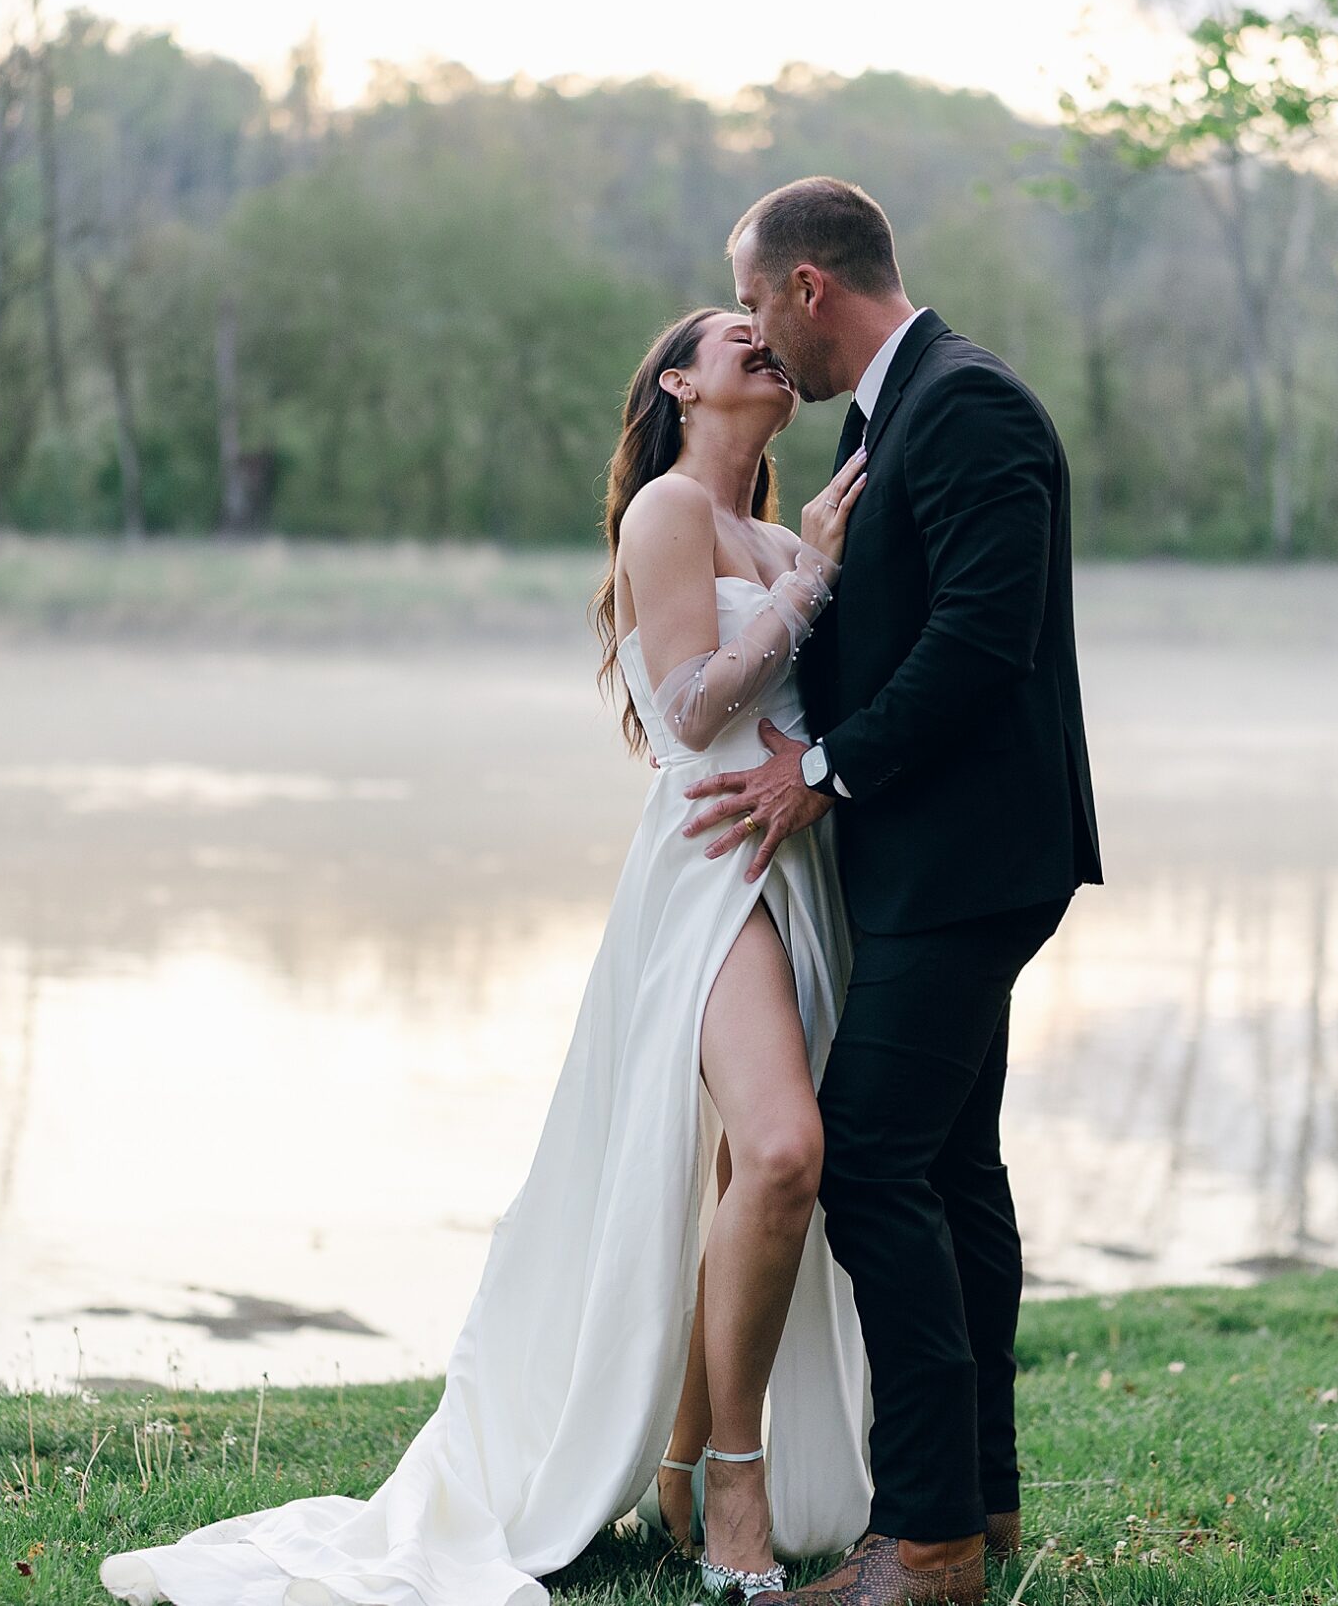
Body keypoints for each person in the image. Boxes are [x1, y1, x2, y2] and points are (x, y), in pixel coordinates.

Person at [100, 304, 873, 1606]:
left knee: (756, 1169)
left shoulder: (781, 531)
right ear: (677, 380)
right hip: (706, 868)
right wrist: (808, 588)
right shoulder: (670, 515)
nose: (761, 340)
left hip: (796, 858)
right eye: (732, 330)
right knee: (785, 1151)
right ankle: (732, 1479)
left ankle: (686, 1469)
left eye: (770, 330)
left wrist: (819, 591)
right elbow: (689, 706)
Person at [684, 177, 1103, 1606]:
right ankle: (977, 1504)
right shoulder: (888, 419)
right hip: (933, 857)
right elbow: (901, 622)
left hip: (968, 858)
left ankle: (920, 1544)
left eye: (752, 301)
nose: (753, 330)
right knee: (951, 1171)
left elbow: (988, 640)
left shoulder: (971, 405)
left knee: (865, 1158)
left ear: (809, 288)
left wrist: (828, 771)